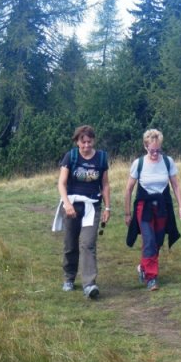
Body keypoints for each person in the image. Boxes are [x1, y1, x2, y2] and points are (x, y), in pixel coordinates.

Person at [125, 129, 181, 291]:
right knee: (149, 240)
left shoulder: (168, 162)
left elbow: (175, 185)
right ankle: (151, 278)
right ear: (145, 146)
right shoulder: (138, 164)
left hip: (162, 206)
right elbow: (129, 189)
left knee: (158, 241)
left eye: (158, 150)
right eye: (152, 150)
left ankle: (143, 267)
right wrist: (127, 213)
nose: (155, 153)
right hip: (143, 207)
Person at [53, 125, 110, 299]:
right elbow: (61, 183)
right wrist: (67, 203)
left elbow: (105, 184)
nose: (86, 145)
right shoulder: (71, 156)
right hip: (72, 205)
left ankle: (89, 284)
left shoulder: (101, 158)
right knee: (71, 243)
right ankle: (69, 277)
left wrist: (108, 207)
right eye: (83, 142)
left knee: (87, 244)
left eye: (89, 141)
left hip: (92, 206)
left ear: (94, 141)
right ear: (77, 142)